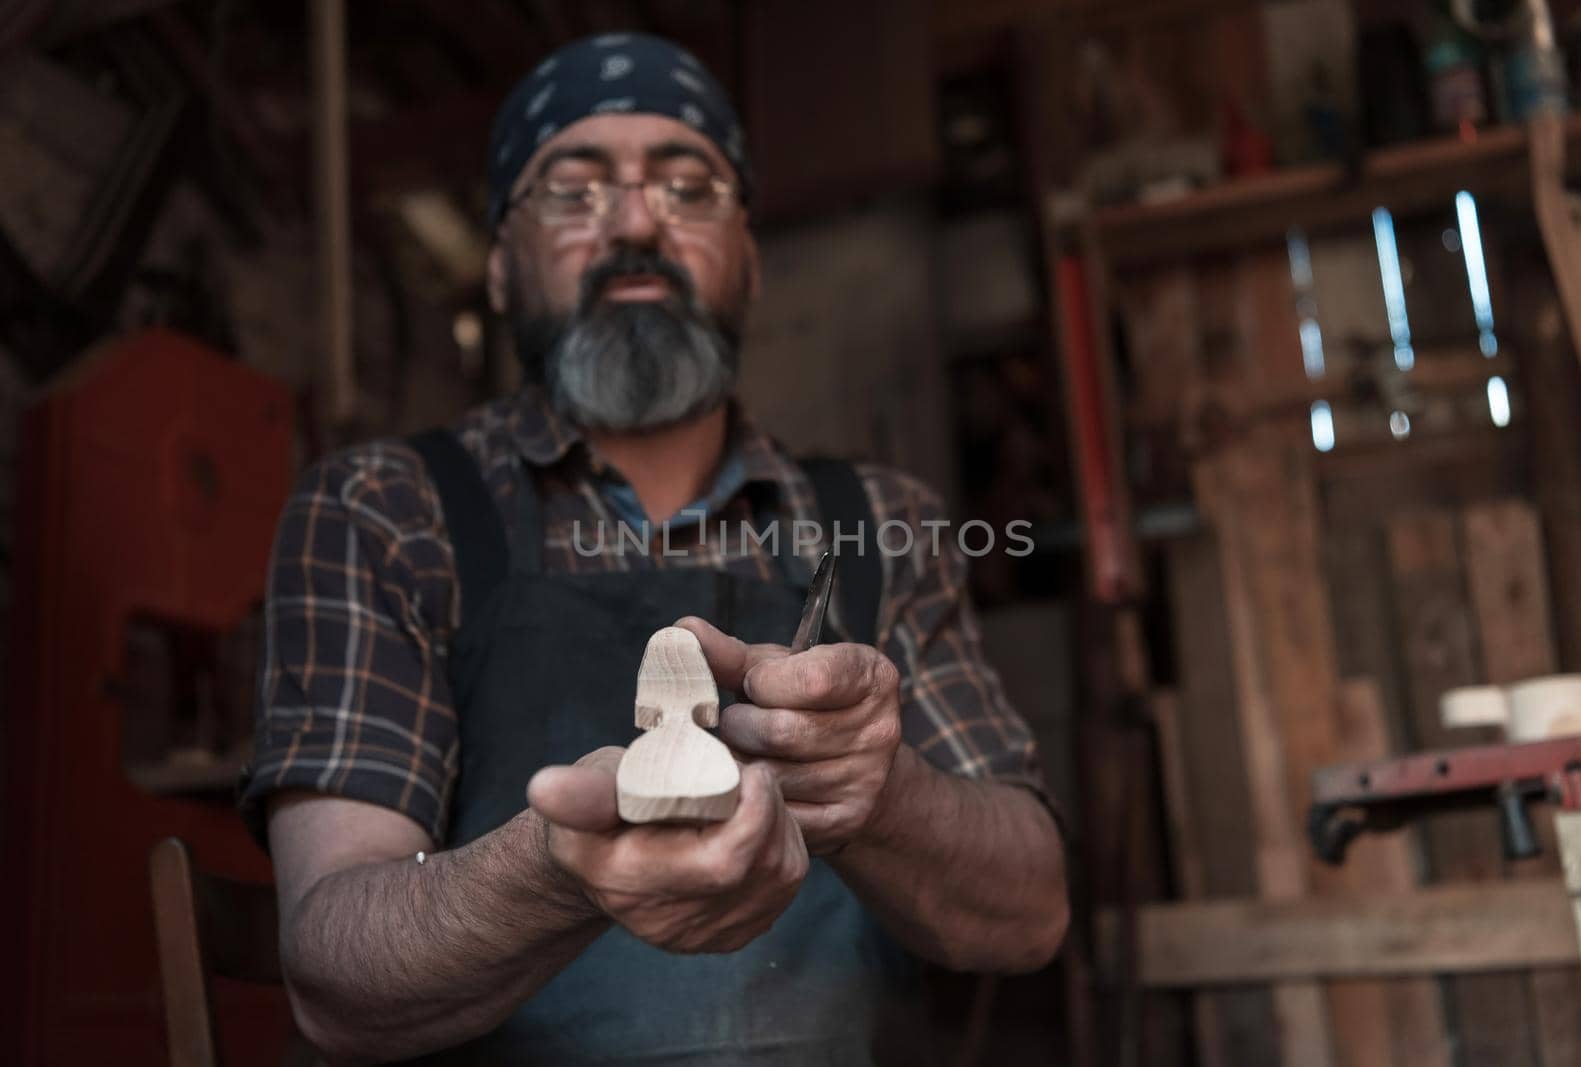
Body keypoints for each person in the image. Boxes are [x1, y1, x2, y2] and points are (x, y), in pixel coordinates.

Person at [239, 32, 1067, 1066]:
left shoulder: (878, 520)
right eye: (574, 192)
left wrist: (878, 792)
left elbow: (1029, 912)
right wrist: (554, 866)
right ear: (498, 267)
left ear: (750, 259)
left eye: (689, 188)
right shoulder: (382, 510)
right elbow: (331, 975)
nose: (636, 221)